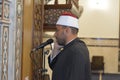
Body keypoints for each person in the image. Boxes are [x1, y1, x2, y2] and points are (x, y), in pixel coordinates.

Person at [48, 12, 91, 80]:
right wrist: (56, 49)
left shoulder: (76, 51)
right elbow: (55, 67)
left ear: (67, 30)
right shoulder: (69, 47)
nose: (55, 34)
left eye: (57, 30)